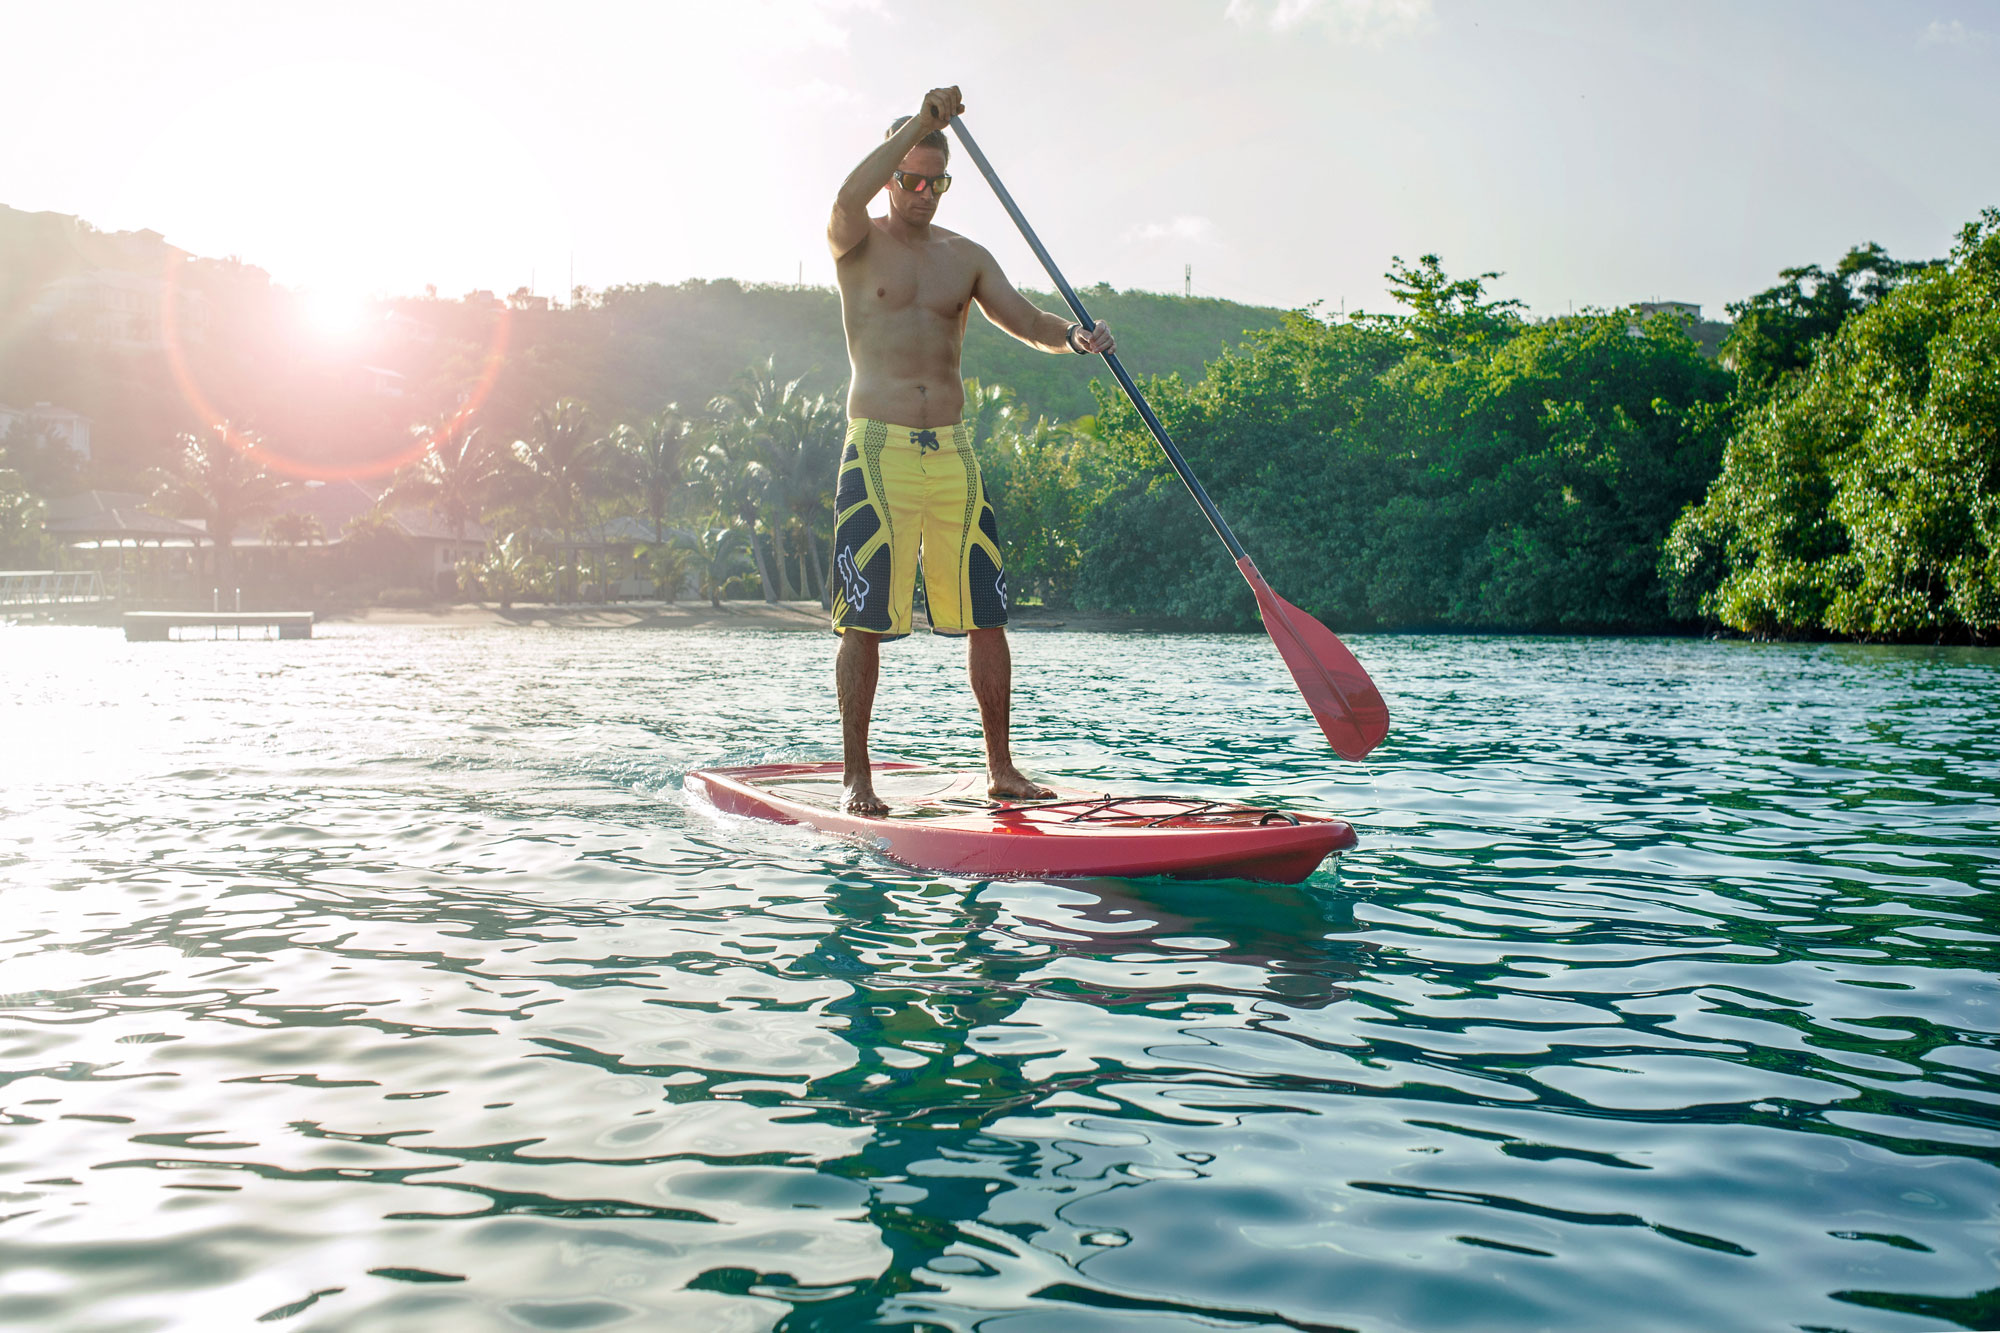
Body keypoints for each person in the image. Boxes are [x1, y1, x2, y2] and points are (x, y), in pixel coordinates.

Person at [827, 85, 1114, 816]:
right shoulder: (857, 238)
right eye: (911, 179)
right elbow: (847, 192)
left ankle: (1002, 769)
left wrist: (1074, 338)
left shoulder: (967, 256)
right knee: (865, 616)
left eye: (935, 182)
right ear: (894, 175)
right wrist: (918, 125)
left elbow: (1028, 320)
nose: (922, 193)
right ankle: (858, 777)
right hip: (878, 450)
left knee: (988, 612)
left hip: (953, 451)